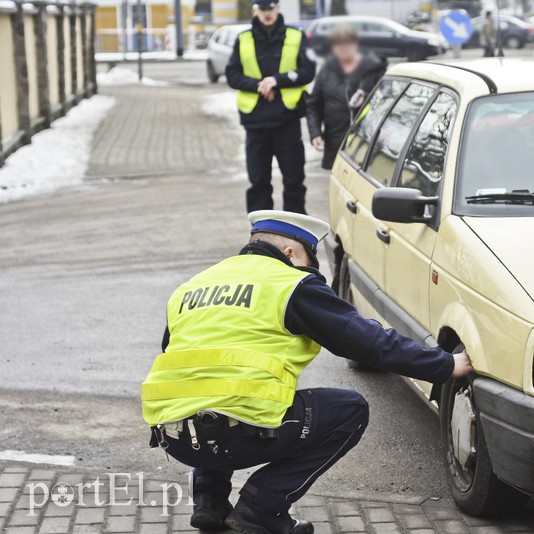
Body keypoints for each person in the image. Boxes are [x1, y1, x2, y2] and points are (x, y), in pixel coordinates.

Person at [141, 210, 473, 534]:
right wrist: (444, 364)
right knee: (350, 410)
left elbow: (177, 355)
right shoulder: (290, 284)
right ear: (289, 252)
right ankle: (261, 508)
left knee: (210, 392)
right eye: (309, 262)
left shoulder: (194, 285)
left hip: (175, 438)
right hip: (236, 437)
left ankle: (209, 501)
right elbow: (370, 343)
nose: (311, 272)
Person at [225, 0, 316, 214]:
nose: (267, 13)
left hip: (287, 120)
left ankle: (294, 232)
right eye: (263, 9)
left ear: (278, 8)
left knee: (294, 181)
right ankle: (262, 234)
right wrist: (259, 86)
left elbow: (308, 71)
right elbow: (232, 75)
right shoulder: (243, 39)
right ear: (255, 10)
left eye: (271, 8)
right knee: (258, 184)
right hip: (256, 124)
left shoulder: (296, 36)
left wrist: (277, 80)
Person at [307, 24, 387, 170]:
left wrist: (367, 96)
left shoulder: (373, 69)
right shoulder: (327, 71)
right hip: (335, 143)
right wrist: (315, 133)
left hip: (367, 145)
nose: (342, 48)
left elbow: (387, 100)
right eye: (338, 44)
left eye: (347, 43)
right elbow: (314, 105)